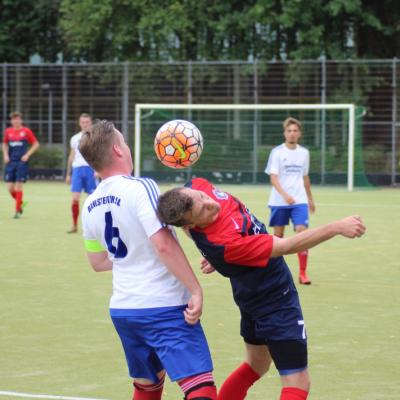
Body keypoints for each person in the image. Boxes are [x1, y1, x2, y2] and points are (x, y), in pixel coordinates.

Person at [157, 178, 366, 400]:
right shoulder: (226, 245)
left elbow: (198, 222)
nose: (210, 203)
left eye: (202, 198)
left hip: (248, 294)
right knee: (298, 381)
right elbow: (287, 245)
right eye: (203, 210)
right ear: (190, 225)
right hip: (274, 298)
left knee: (256, 365)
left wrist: (217, 258)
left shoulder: (195, 187)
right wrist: (336, 227)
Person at [79, 120, 217, 400]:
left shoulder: (89, 204)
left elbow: (97, 261)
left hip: (124, 311)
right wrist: (195, 289)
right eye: (125, 142)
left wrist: (133, 258)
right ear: (118, 150)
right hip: (163, 307)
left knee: (148, 386)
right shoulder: (141, 187)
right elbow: (163, 244)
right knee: (201, 390)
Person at [265, 117, 315, 284]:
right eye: (289, 131)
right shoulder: (277, 152)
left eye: (295, 131)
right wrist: (285, 195)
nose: (292, 133)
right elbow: (273, 178)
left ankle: (303, 273)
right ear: (285, 133)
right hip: (279, 201)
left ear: (299, 134)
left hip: (299, 200)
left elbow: (305, 176)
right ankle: (274, 274)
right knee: (278, 237)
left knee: (302, 232)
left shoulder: (304, 153)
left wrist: (310, 198)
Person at [2, 111, 40, 219]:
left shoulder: (26, 131)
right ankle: (21, 203)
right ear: (11, 121)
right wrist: (5, 155)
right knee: (10, 188)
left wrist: (27, 154)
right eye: (13, 119)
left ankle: (17, 211)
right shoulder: (8, 131)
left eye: (17, 119)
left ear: (21, 120)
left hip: (21, 163)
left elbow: (36, 144)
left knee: (18, 186)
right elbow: (4, 143)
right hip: (11, 163)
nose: (16, 121)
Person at [65, 113, 97, 233]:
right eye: (83, 122)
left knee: (92, 200)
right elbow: (72, 156)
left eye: (87, 122)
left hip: (90, 169)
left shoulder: (95, 137)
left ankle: (92, 226)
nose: (85, 124)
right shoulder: (74, 138)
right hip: (77, 170)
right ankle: (74, 225)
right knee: (75, 199)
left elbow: (98, 155)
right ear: (79, 123)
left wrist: (97, 170)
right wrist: (68, 174)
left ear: (91, 123)